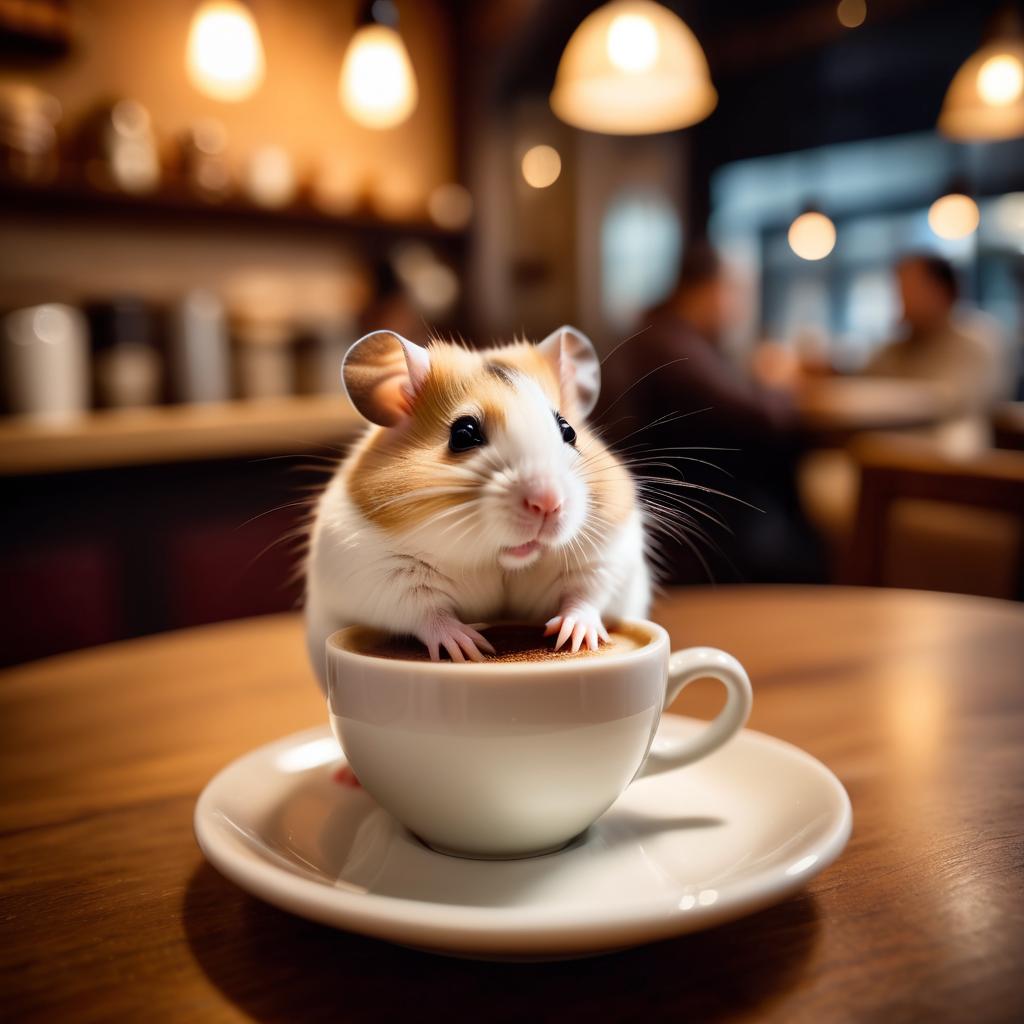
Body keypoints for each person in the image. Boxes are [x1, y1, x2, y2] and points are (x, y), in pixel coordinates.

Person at [597, 242, 820, 585]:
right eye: (736, 290)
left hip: (684, 492)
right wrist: (781, 388)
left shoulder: (665, 335)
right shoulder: (671, 344)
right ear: (710, 290)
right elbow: (758, 418)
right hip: (697, 505)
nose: (740, 304)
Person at [864, 253, 1006, 422]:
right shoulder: (893, 349)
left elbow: (956, 404)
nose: (903, 301)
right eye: (900, 291)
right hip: (888, 442)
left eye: (912, 290)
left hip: (951, 445)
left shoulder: (974, 345)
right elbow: (859, 387)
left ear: (945, 292)